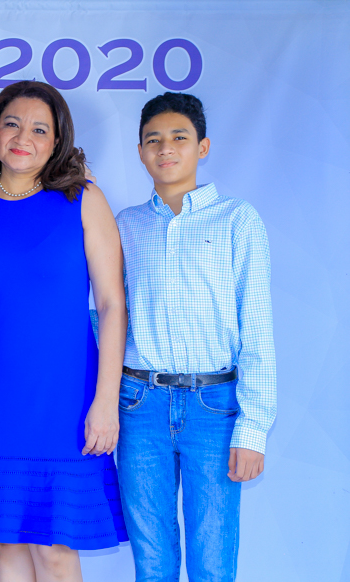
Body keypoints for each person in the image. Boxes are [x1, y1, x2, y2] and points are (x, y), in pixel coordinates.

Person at [0, 81, 128, 582]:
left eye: (40, 129)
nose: (24, 137)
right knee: (8, 543)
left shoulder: (83, 199)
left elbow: (112, 305)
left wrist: (106, 401)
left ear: (58, 140)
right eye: (12, 124)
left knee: (56, 550)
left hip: (66, 397)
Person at [115, 92, 276, 582]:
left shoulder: (237, 219)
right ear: (140, 152)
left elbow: (257, 328)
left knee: (213, 558)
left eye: (179, 137)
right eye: (153, 140)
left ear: (202, 147)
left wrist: (253, 430)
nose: (165, 148)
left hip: (215, 409)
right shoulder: (126, 225)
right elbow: (106, 316)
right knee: (152, 558)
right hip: (139, 405)